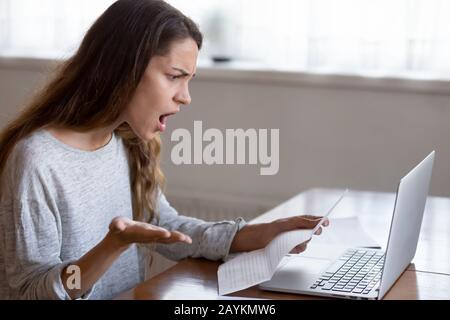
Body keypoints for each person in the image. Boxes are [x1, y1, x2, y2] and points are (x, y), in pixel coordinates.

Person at [0, 0, 328, 300]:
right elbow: (31, 292)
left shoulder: (126, 141)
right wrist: (111, 247)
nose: (185, 97)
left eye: (189, 80)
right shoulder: (37, 161)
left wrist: (256, 235)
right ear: (123, 68)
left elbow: (167, 227)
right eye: (174, 77)